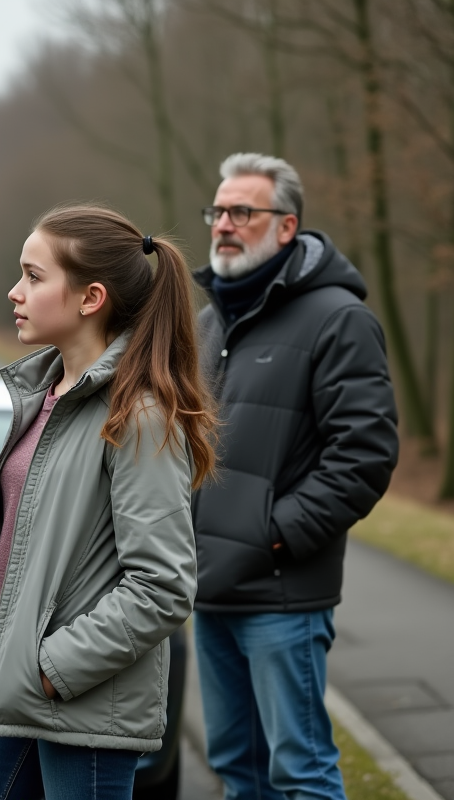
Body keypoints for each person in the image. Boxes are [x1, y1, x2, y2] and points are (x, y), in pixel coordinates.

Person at [0, 204, 216, 799]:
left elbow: (163, 585)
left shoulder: (136, 418)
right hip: (17, 688)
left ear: (90, 298)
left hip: (77, 704)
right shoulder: (48, 400)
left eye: (34, 277)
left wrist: (53, 669)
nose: (15, 292)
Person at [191, 153, 398, 799]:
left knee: (301, 773)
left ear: (286, 227)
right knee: (237, 772)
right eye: (218, 211)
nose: (224, 224)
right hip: (209, 594)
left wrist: (272, 536)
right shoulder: (206, 323)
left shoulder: (339, 319)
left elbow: (364, 455)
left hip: (282, 596)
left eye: (242, 212)